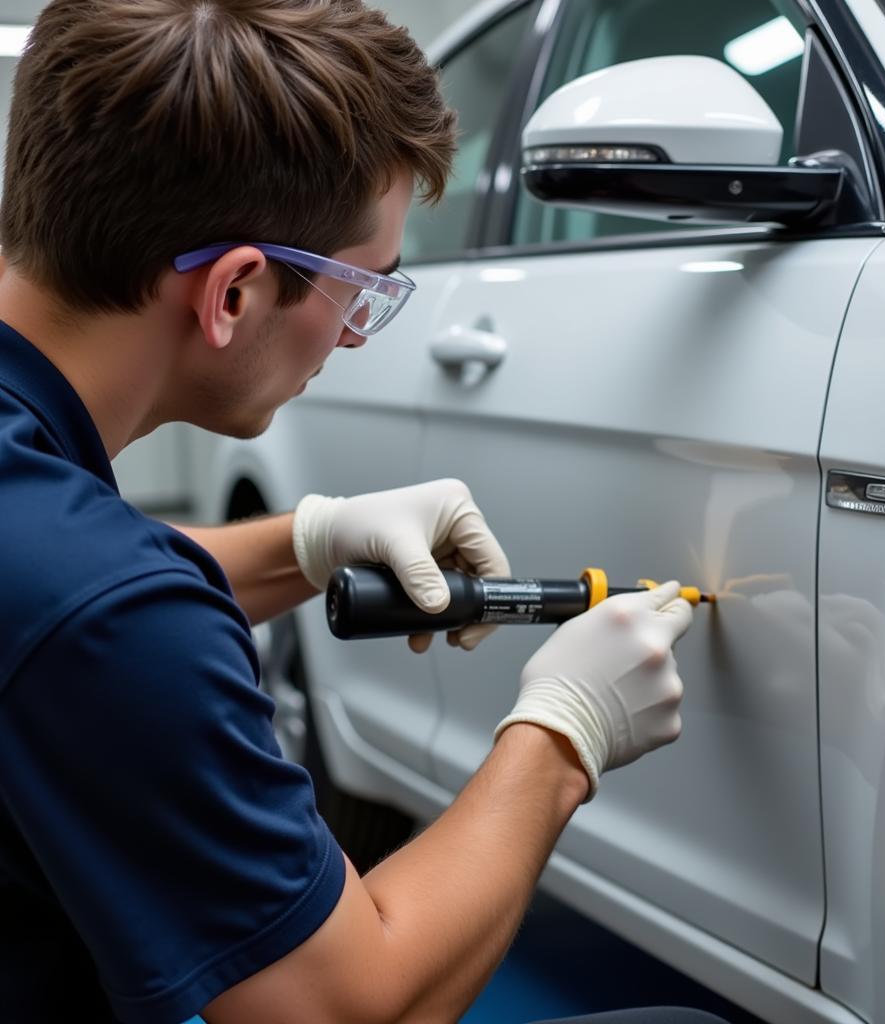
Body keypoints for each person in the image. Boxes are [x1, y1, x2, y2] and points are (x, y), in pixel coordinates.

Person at [0, 1, 723, 1022]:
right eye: (361, 289)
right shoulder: (103, 609)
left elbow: (61, 604)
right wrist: (563, 734)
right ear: (235, 294)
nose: (353, 336)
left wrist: (308, 539)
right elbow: (353, 1005)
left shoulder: (46, 533)